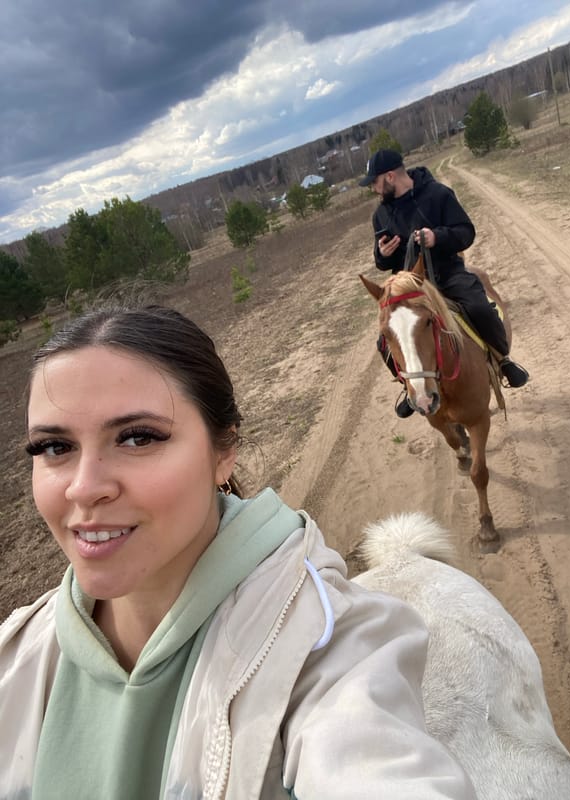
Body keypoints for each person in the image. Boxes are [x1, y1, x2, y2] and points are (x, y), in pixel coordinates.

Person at [0, 305, 476, 799]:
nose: (83, 489)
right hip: (395, 288)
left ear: (223, 450)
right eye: (54, 447)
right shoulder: (13, 660)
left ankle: (501, 362)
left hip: (431, 275)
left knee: (472, 309)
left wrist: (431, 241)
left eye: (137, 437)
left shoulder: (331, 648)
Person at [360, 149, 529, 418]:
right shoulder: (381, 214)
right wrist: (383, 254)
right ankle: (408, 386)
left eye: (374, 182)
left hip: (448, 274)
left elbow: (466, 232)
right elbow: (380, 261)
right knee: (384, 340)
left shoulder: (438, 195)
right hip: (409, 288)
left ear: (390, 176)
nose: (373, 189)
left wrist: (437, 238)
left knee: (481, 308)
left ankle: (503, 360)